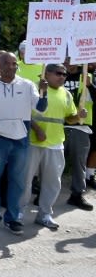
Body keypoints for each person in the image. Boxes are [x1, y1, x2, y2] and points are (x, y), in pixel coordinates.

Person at [0, 51, 46, 234]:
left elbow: (40, 108)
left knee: (18, 181)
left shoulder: (27, 85)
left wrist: (44, 92)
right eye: (7, 63)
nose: (12, 67)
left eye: (14, 63)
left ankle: (12, 218)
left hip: (21, 140)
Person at [25, 63, 87, 229]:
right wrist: (37, 129)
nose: (62, 77)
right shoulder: (34, 89)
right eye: (58, 73)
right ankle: (17, 213)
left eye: (64, 74)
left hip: (55, 143)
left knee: (52, 182)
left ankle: (45, 214)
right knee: (25, 180)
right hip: (32, 141)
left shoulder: (66, 94)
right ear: (47, 73)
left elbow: (69, 119)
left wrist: (78, 116)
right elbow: (23, 113)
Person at [63, 60, 94, 211]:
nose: (67, 62)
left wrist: (90, 85)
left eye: (70, 59)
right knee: (52, 164)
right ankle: (43, 193)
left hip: (80, 127)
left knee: (79, 164)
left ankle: (77, 195)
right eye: (65, 59)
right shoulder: (57, 74)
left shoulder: (87, 76)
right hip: (59, 126)